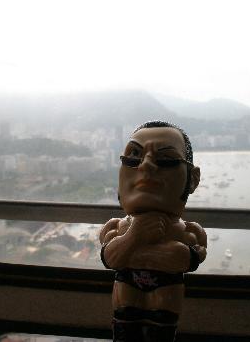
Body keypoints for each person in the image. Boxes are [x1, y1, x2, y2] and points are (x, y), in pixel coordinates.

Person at [99, 121, 207, 342]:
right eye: (134, 156)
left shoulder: (190, 231)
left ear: (193, 179)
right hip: (129, 291)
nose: (146, 165)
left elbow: (184, 259)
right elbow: (110, 259)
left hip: (164, 292)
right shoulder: (116, 226)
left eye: (165, 159)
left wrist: (132, 249)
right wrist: (135, 236)